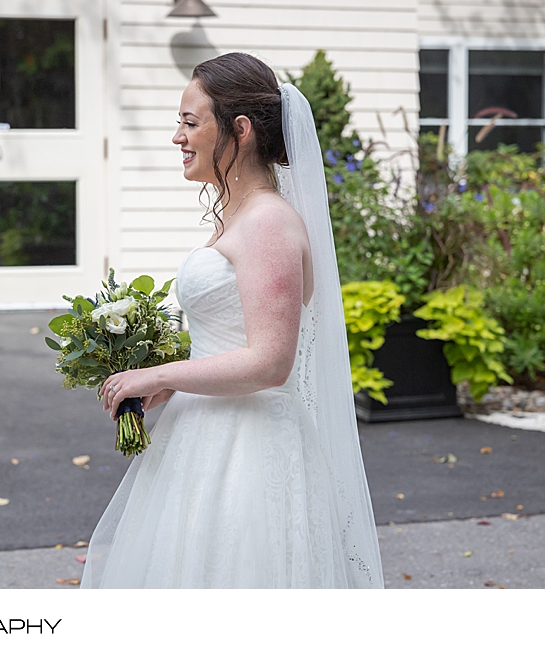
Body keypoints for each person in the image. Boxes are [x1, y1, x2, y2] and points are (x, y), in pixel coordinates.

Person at [80, 52, 383, 588]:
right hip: (206, 436)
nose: (178, 136)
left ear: (239, 130)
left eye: (191, 122)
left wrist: (158, 375)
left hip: (248, 453)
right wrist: (172, 382)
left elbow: (270, 362)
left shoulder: (268, 222)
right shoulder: (237, 214)